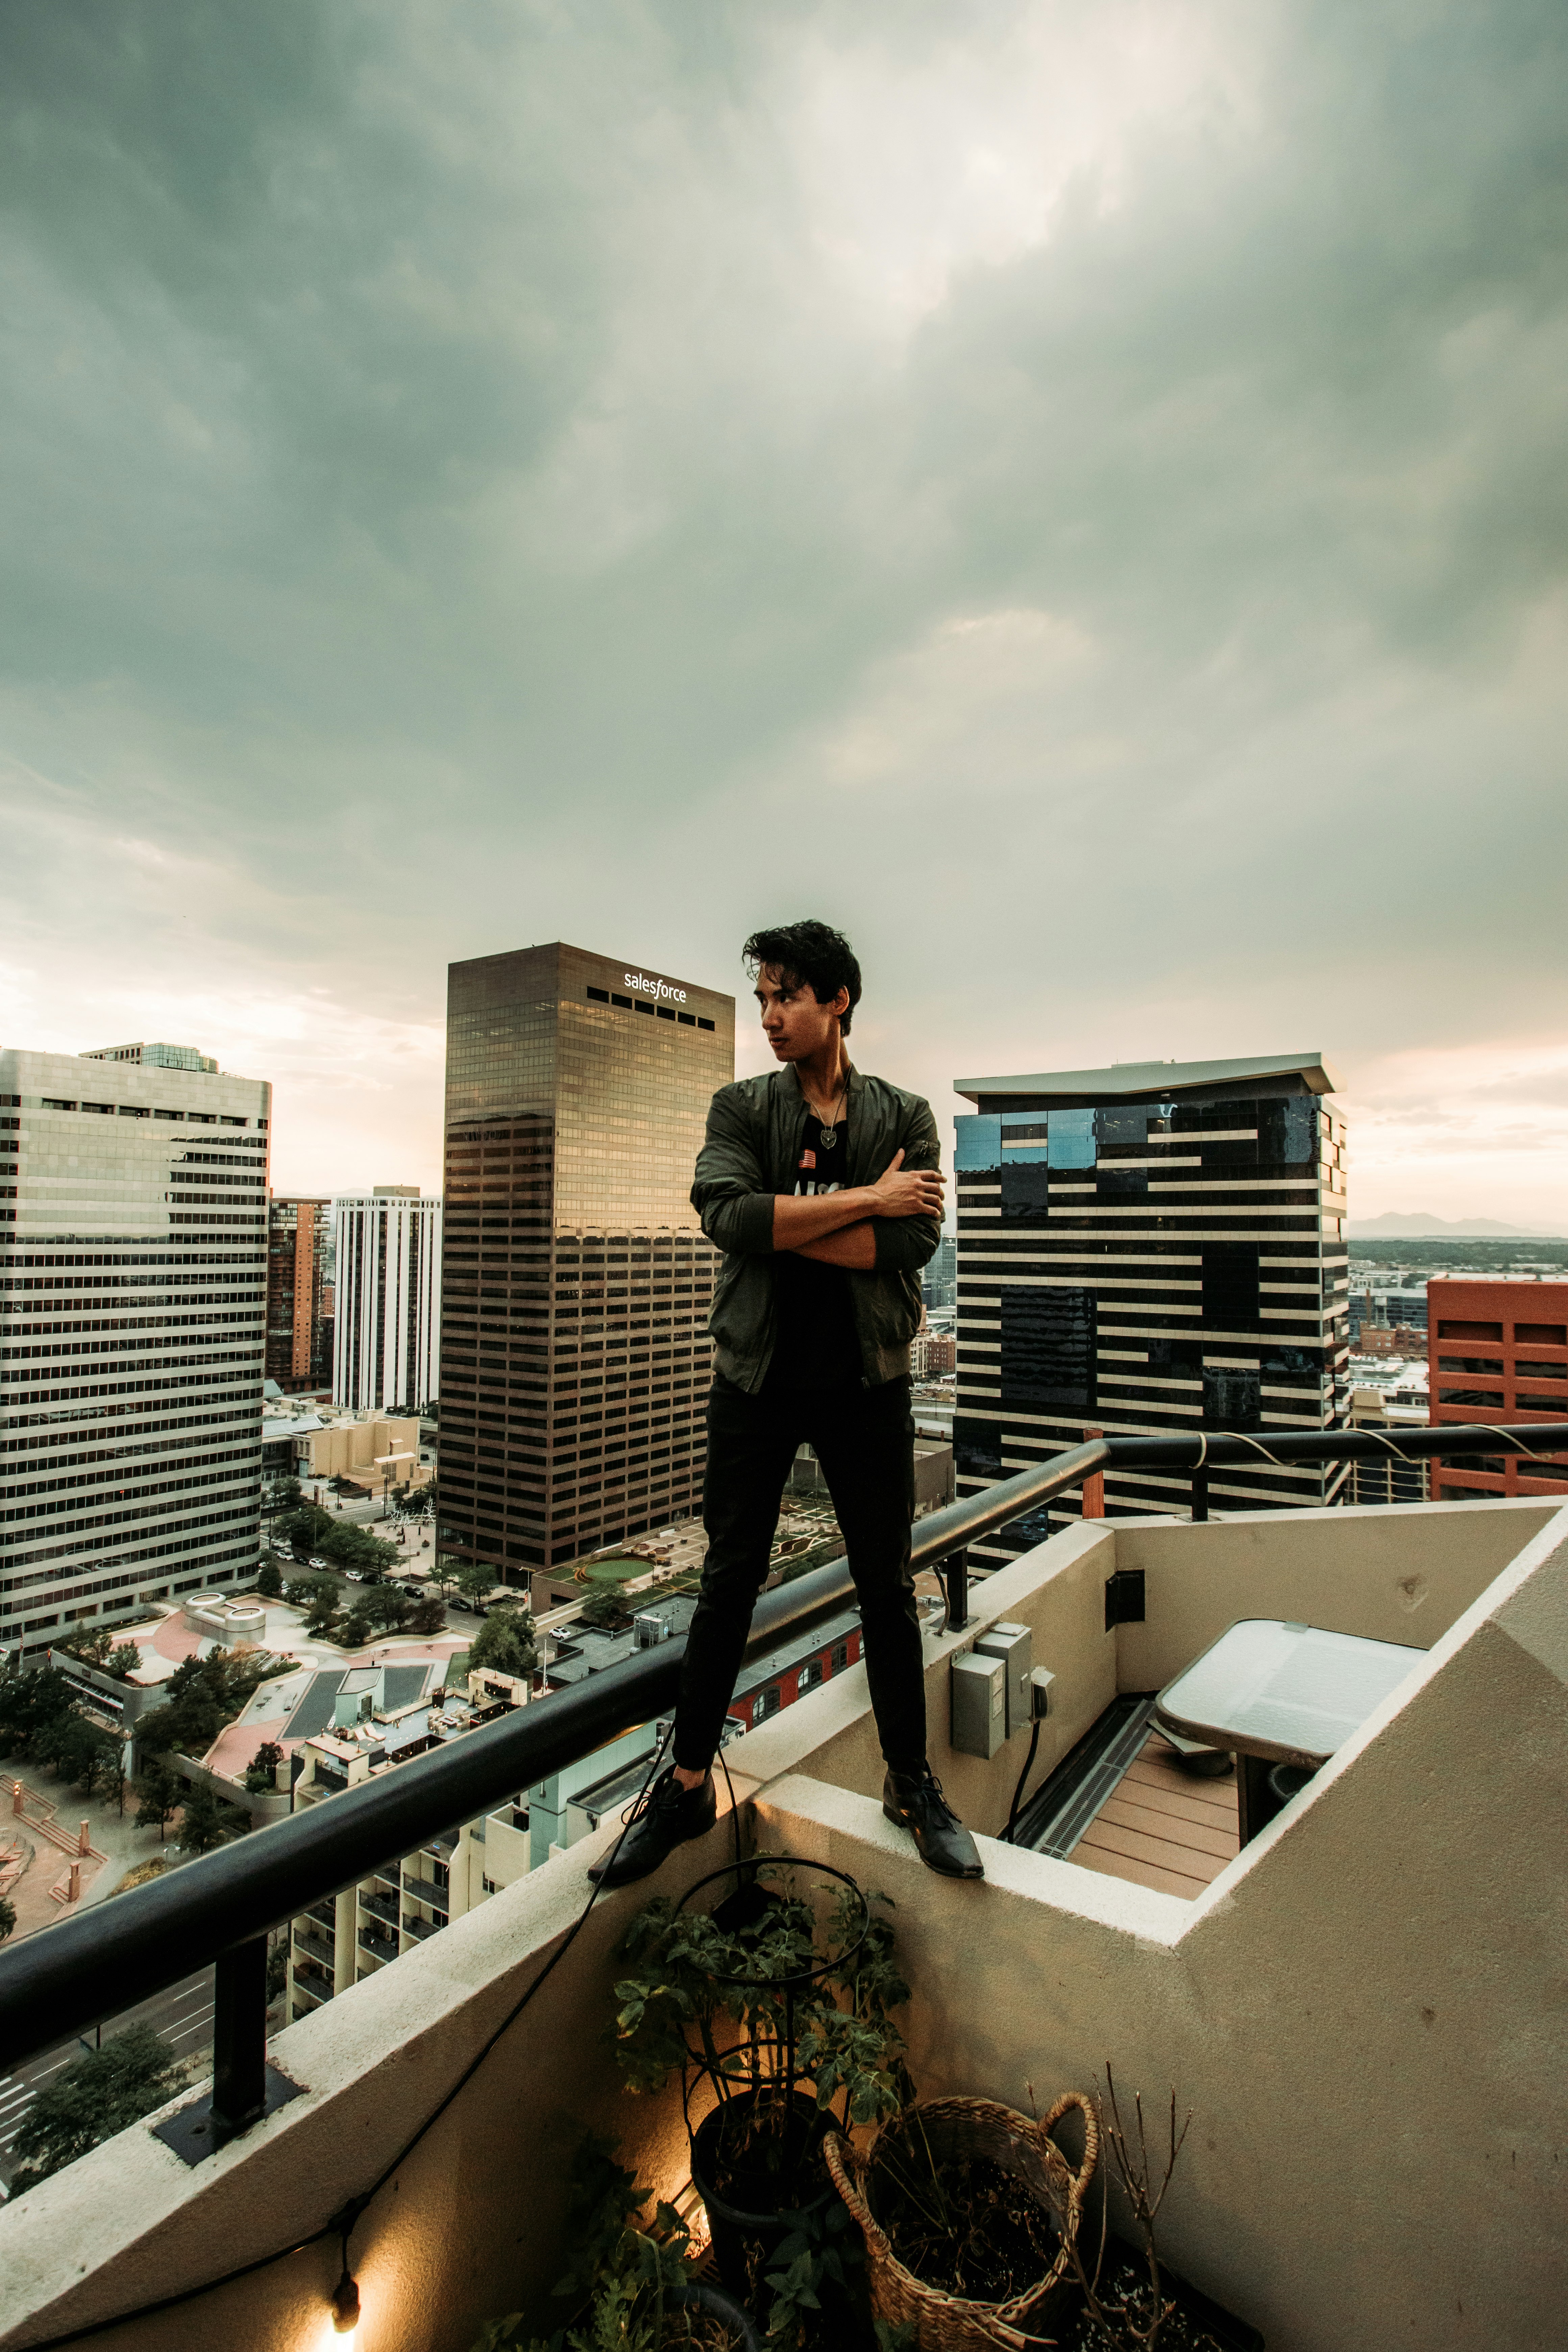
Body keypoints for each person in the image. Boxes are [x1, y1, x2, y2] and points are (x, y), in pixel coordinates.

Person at [591, 919, 982, 1889]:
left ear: (837, 1000)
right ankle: (684, 1787)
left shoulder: (905, 1116)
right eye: (763, 999)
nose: (769, 1016)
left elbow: (910, 1248)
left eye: (786, 998)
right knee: (729, 1581)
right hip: (756, 1380)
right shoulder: (741, 1107)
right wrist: (863, 1201)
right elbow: (725, 1215)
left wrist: (789, 1222)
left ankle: (912, 1782)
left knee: (886, 1585)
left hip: (866, 1381)